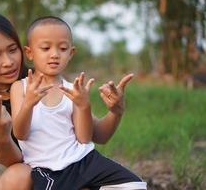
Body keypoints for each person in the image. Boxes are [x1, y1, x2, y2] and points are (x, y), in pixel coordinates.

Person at [0, 12, 142, 190]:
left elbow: (96, 135)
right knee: (16, 176)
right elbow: (15, 164)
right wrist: (1, 136)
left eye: (12, 50)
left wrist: (115, 111)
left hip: (77, 167)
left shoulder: (49, 81)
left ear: (25, 51)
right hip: (40, 174)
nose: (8, 62)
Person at [10, 16, 146, 190]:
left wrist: (83, 106)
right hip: (49, 169)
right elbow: (20, 133)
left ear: (71, 53)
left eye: (63, 48)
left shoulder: (73, 89)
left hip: (84, 160)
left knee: (133, 185)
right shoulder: (20, 88)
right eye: (45, 48)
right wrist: (28, 104)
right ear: (29, 53)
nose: (54, 54)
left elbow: (83, 138)